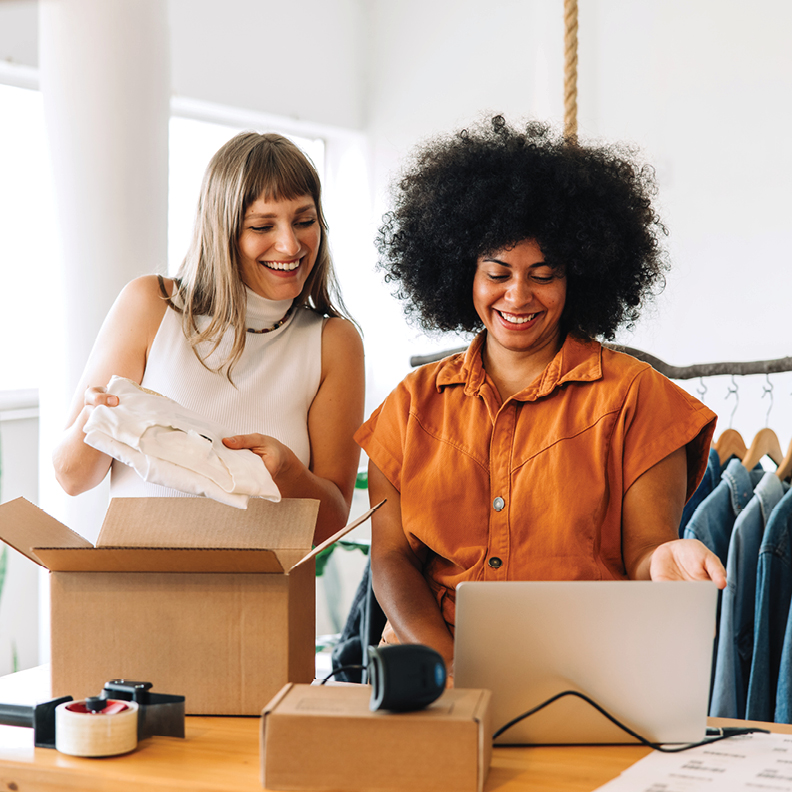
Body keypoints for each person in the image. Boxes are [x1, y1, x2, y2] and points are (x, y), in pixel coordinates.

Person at [355, 117, 726, 678]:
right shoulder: (411, 405)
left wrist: (665, 559)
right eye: (497, 273)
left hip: (587, 672)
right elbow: (390, 558)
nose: (518, 295)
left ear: (578, 278)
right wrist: (447, 663)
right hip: (429, 664)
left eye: (544, 274)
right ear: (465, 276)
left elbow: (647, 548)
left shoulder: (636, 398)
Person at [53, 132, 364, 544]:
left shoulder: (333, 342)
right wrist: (97, 419)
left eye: (304, 221)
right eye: (262, 226)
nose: (290, 244)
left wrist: (288, 473)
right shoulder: (152, 305)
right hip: (140, 594)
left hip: (261, 601)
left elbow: (331, 522)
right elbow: (72, 478)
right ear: (222, 231)